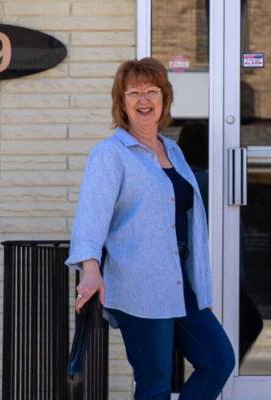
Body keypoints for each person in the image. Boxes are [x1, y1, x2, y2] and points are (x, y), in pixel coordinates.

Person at [65, 57, 235, 400]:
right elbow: (91, 216)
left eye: (152, 91)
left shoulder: (172, 150)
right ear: (122, 102)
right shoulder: (110, 154)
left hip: (180, 283)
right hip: (139, 285)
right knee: (154, 383)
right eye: (134, 93)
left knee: (218, 360)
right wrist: (90, 270)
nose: (144, 100)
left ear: (164, 97)